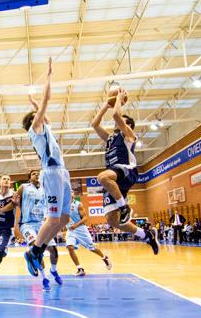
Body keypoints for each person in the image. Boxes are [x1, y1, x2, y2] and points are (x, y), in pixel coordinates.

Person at [21, 58, 73, 277]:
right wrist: (49, 75)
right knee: (53, 219)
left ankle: (38, 248)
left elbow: (46, 115)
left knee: (64, 219)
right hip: (51, 174)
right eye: (38, 115)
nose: (43, 117)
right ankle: (33, 252)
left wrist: (33, 104)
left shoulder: (45, 129)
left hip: (63, 172)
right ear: (33, 121)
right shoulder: (35, 128)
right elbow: (47, 100)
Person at [91, 88, 158, 255]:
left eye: (123, 121)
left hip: (126, 170)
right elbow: (94, 124)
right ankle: (146, 235)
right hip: (114, 177)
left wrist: (119, 99)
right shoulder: (110, 138)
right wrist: (106, 105)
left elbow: (116, 116)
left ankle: (124, 207)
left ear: (129, 126)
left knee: (102, 177)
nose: (118, 122)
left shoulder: (129, 135)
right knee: (113, 221)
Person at [0, 169, 63, 290]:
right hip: (27, 224)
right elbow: (13, 203)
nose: (37, 175)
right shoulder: (24, 187)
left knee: (54, 251)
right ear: (29, 178)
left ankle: (53, 270)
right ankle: (45, 278)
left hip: (43, 224)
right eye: (34, 174)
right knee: (36, 249)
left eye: (38, 173)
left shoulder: (45, 189)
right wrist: (2, 209)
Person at [65, 191, 112, 276]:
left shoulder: (78, 204)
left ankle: (105, 258)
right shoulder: (63, 205)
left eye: (71, 193)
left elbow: (85, 217)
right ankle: (80, 269)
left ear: (73, 195)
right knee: (70, 247)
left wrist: (75, 225)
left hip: (80, 229)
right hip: (70, 230)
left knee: (92, 248)